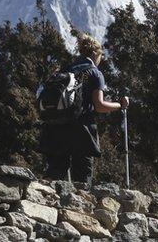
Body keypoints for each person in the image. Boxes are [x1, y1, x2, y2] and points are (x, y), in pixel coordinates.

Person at [40, 28, 128, 186]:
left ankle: (44, 204)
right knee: (82, 176)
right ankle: (78, 208)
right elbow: (100, 106)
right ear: (96, 54)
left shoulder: (67, 70)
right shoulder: (94, 72)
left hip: (56, 127)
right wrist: (120, 105)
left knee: (55, 173)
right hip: (82, 129)